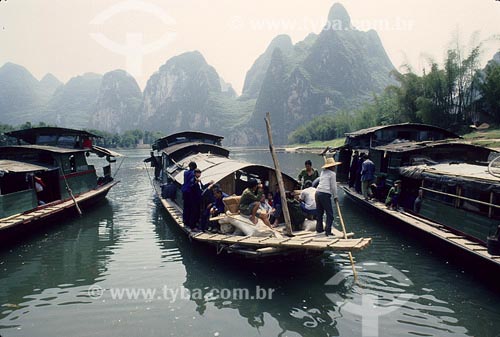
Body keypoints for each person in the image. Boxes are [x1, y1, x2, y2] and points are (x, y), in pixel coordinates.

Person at [315, 157, 341, 236]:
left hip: (318, 192)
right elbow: (333, 186)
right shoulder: (332, 174)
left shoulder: (323, 172)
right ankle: (328, 231)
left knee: (320, 212)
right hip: (324, 194)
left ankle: (319, 229)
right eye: (334, 166)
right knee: (330, 214)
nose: (335, 168)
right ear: (332, 167)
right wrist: (335, 196)